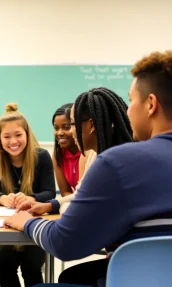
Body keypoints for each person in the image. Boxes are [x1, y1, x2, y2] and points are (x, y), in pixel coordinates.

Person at [4, 50, 172, 287]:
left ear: (151, 104)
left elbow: (65, 244)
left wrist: (28, 223)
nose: (127, 111)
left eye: (132, 100)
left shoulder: (118, 163)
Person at [17, 87, 133, 216]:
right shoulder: (94, 155)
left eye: (71, 124)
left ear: (91, 125)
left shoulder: (112, 163)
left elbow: (80, 211)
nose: (71, 132)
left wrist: (28, 223)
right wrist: (49, 205)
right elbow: (80, 195)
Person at [0, 103, 56, 287]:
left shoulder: (41, 156)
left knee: (31, 268)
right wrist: (3, 198)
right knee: (4, 268)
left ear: (27, 134)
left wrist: (30, 198)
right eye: (6, 136)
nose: (13, 141)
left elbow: (49, 192)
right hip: (10, 225)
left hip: (35, 223)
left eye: (18, 135)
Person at [52, 103, 82, 196]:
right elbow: (65, 192)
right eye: (56, 128)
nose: (60, 133)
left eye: (67, 127)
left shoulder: (88, 153)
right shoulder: (58, 154)